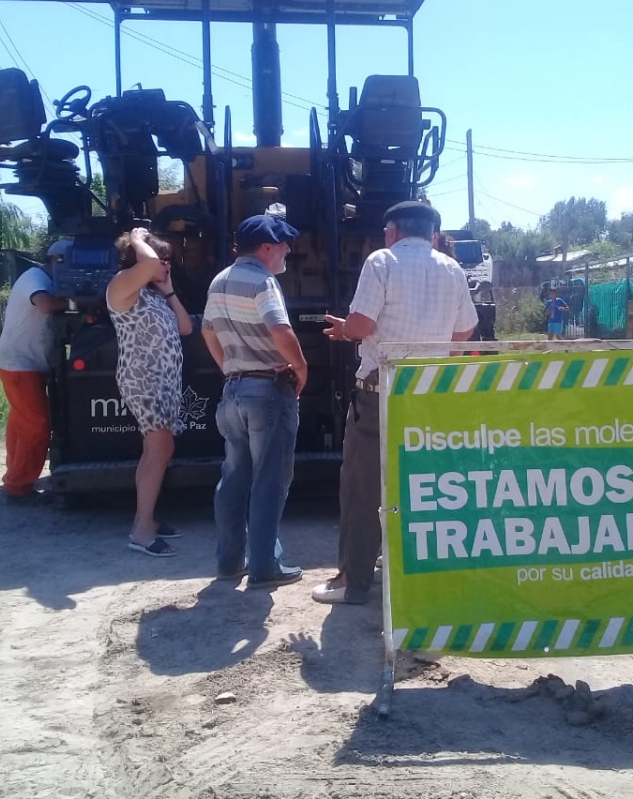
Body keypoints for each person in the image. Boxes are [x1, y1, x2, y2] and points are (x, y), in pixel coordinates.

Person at [312, 201, 478, 605]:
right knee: (419, 484)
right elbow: (465, 333)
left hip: (378, 393)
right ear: (433, 235)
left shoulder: (381, 261)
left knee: (362, 487)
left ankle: (353, 582)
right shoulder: (452, 269)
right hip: (426, 396)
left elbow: (362, 325)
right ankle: (410, 571)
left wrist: (343, 330)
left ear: (391, 232)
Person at [201, 214, 308, 588]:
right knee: (270, 480)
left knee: (233, 479)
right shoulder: (264, 282)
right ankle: (265, 566)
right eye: (283, 244)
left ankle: (229, 562)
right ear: (265, 247)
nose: (288, 251)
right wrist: (301, 366)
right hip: (268, 391)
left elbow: (208, 331)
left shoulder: (220, 280)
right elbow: (281, 330)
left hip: (233, 392)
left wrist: (231, 369)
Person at [106, 227, 193, 557]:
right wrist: (137, 237)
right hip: (143, 381)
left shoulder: (152, 295)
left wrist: (169, 290)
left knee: (157, 450)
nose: (167, 264)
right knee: (158, 449)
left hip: (163, 381)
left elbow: (185, 327)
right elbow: (147, 263)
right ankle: (141, 531)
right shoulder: (122, 286)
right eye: (163, 259)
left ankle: (149, 519)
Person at [0, 241, 71, 502]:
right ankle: (18, 488)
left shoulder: (45, 279)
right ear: (56, 260)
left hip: (27, 364)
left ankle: (14, 475)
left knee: (20, 423)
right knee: (37, 426)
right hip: (21, 364)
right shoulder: (34, 278)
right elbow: (46, 305)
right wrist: (78, 299)